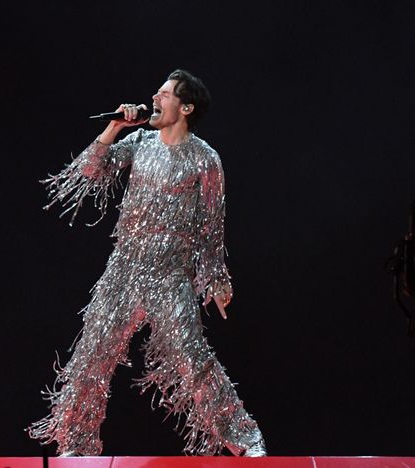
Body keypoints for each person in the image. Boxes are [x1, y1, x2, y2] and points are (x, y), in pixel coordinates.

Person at [27, 70, 266, 457]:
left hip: (171, 276)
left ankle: (245, 440)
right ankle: (76, 447)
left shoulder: (206, 160)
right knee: (92, 355)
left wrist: (217, 280)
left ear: (185, 107)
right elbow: (90, 171)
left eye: (166, 93)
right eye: (158, 90)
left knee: (192, 359)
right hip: (123, 271)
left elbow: (211, 227)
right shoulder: (138, 141)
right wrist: (114, 128)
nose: (155, 96)